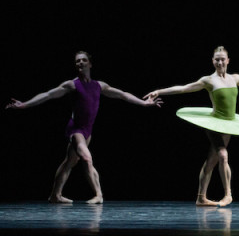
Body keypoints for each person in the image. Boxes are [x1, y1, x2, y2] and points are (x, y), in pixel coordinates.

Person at [6, 51, 162, 204]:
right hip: (76, 130)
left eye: (83, 60)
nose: (80, 63)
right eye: (77, 61)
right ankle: (98, 195)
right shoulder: (72, 85)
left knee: (69, 162)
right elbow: (47, 95)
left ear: (90, 64)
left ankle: (55, 195)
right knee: (87, 158)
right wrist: (24, 105)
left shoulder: (99, 86)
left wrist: (144, 103)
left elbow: (122, 94)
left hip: (88, 131)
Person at [145, 46, 239, 207]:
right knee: (223, 155)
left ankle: (201, 198)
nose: (220, 62)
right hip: (215, 124)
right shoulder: (208, 80)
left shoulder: (235, 78)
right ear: (212, 61)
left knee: (212, 161)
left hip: (229, 125)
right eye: (217, 59)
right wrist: (159, 91)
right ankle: (228, 195)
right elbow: (183, 89)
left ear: (228, 60)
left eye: (222, 59)